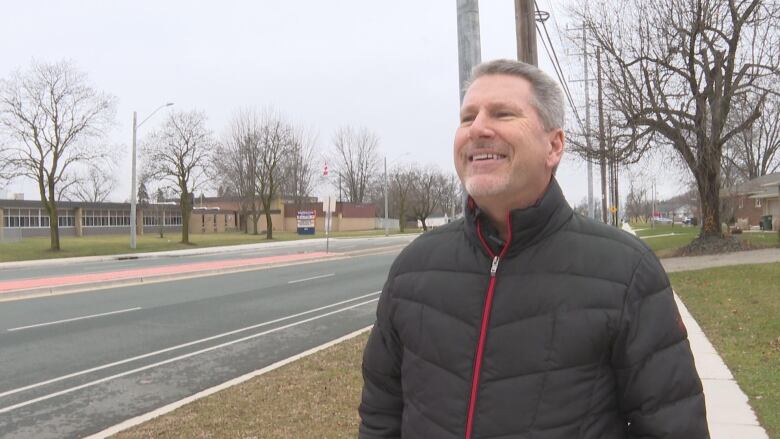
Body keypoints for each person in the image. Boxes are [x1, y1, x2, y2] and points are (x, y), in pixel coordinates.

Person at [358, 59, 708, 439]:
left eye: (502, 113)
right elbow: (381, 413)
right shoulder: (413, 268)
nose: (477, 128)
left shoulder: (627, 273)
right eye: (467, 117)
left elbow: (673, 425)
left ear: (554, 146)